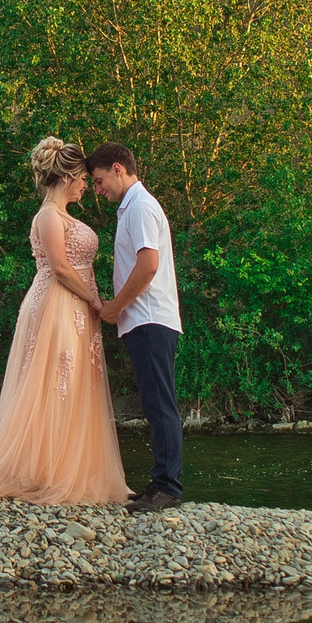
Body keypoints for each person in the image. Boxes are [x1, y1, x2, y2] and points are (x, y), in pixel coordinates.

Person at [0, 137, 131, 506]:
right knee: (57, 381)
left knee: (75, 380)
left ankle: (68, 468)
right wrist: (96, 300)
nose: (85, 185)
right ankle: (48, 472)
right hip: (57, 304)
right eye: (82, 178)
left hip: (77, 306)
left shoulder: (64, 216)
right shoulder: (48, 215)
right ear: (65, 176)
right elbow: (60, 267)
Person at [86, 143, 182, 512]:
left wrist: (115, 307)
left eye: (98, 181)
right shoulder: (131, 208)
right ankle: (161, 481)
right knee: (154, 402)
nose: (98, 189)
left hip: (150, 318)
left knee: (161, 404)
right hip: (144, 320)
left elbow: (148, 265)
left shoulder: (140, 206)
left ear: (117, 168)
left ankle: (169, 488)